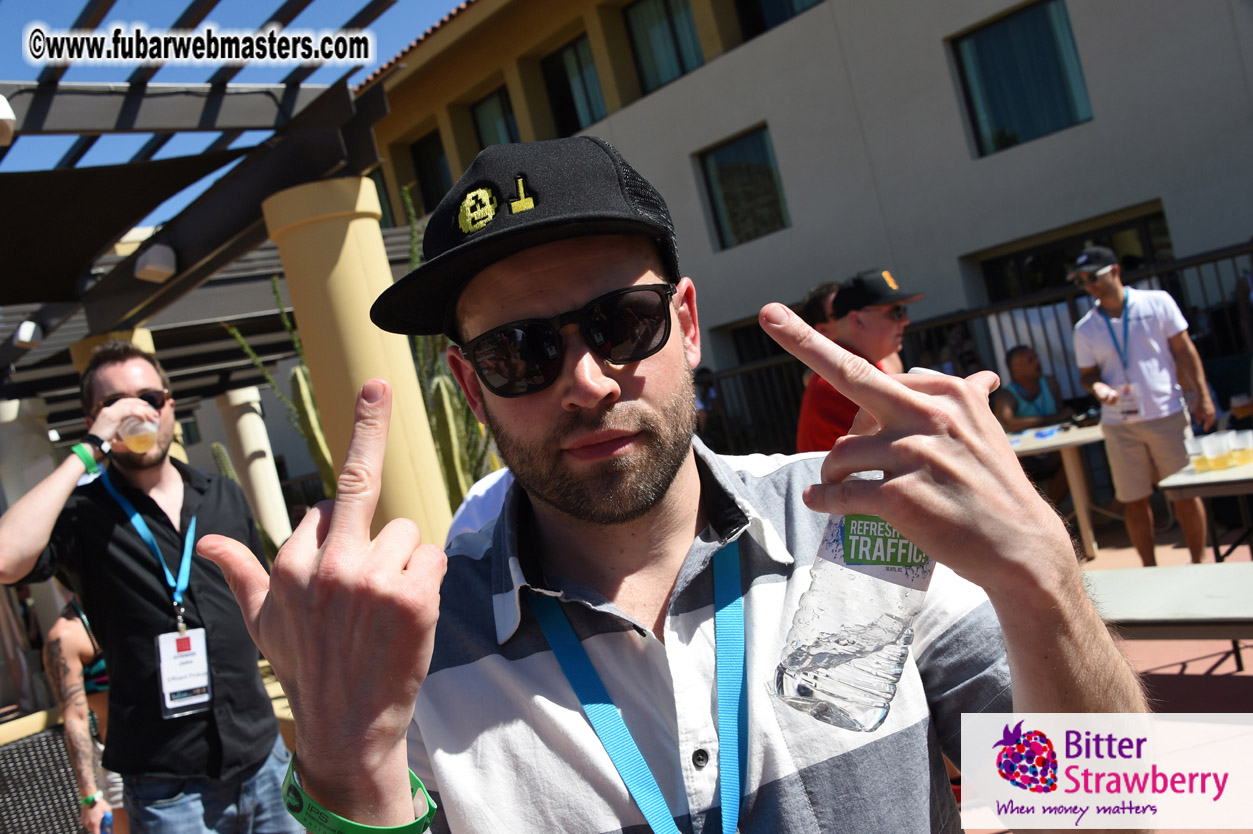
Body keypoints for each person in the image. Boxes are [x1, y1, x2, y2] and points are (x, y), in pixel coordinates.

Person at [196, 137, 1147, 833]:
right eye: (519, 352)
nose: (587, 381)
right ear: (470, 386)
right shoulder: (409, 651)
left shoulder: (865, 533)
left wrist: (1044, 583)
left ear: (686, 324)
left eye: (621, 323)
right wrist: (349, 775)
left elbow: (1112, 811)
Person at [0, 341, 301, 834]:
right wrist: (87, 449)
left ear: (170, 406)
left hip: (263, 757)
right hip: (167, 787)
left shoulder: (221, 492)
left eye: (149, 398)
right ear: (94, 419)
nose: (136, 411)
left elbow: (265, 600)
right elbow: (7, 558)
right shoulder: (83, 513)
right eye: (114, 404)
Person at [1070, 245, 1215, 566]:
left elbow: (1184, 350)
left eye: (1092, 276)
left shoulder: (1157, 302)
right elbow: (1086, 375)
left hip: (1167, 412)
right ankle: (1150, 571)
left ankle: (1200, 566)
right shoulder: (1086, 328)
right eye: (1081, 281)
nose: (1088, 284)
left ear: (1115, 271)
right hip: (1120, 423)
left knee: (1184, 493)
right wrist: (1098, 388)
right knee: (1133, 500)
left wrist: (1203, 396)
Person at [795, 269, 921, 451]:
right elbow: (916, 442)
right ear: (857, 321)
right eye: (895, 312)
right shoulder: (840, 381)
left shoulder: (864, 365)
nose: (905, 320)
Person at [43, 599, 129, 834]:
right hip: (123, 763)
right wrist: (89, 797)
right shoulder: (67, 635)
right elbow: (75, 719)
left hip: (182, 746)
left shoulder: (142, 600)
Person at [992, 345, 1074, 505]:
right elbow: (1012, 423)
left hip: (1051, 452)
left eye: (1035, 357)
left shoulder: (1050, 383)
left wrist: (1057, 418)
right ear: (1016, 369)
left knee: (1073, 460)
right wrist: (1055, 417)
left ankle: (1052, 514)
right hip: (1023, 461)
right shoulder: (1006, 396)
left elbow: (1062, 419)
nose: (1038, 362)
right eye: (1031, 360)